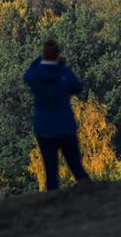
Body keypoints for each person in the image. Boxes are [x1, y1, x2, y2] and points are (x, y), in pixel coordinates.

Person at [24, 39, 90, 191]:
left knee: (51, 170)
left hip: (44, 127)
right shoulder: (63, 73)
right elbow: (78, 88)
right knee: (76, 166)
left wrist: (40, 60)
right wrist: (63, 66)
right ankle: (90, 196)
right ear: (58, 54)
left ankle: (53, 201)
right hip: (65, 126)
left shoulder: (36, 75)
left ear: (44, 55)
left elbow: (27, 75)